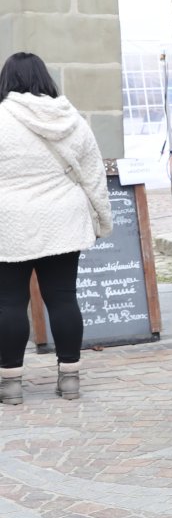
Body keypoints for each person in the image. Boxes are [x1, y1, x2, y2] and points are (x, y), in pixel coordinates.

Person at [0, 52, 112, 403]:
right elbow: (93, 174)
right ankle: (70, 379)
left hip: (10, 220)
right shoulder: (70, 118)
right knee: (63, 298)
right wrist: (102, 220)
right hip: (64, 217)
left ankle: (10, 383)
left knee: (9, 303)